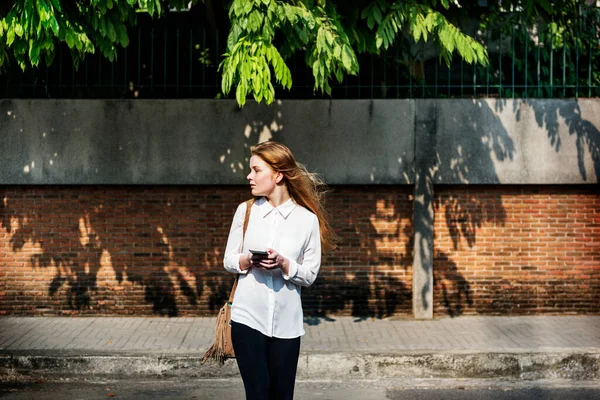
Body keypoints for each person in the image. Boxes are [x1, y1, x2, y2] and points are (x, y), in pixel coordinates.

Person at [223, 141, 336, 400]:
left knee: (283, 396)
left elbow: (309, 275)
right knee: (258, 394)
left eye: (256, 170)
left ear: (278, 174)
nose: (249, 176)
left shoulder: (306, 220)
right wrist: (248, 259)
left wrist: (285, 264)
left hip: (287, 324)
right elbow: (228, 260)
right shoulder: (246, 211)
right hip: (247, 318)